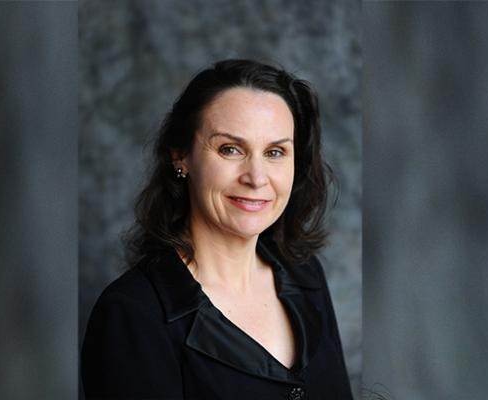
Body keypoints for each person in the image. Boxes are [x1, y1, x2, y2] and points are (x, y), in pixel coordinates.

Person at [81, 59, 354, 400]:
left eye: (275, 152)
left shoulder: (306, 275)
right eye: (230, 149)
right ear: (181, 156)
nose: (256, 177)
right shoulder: (131, 314)